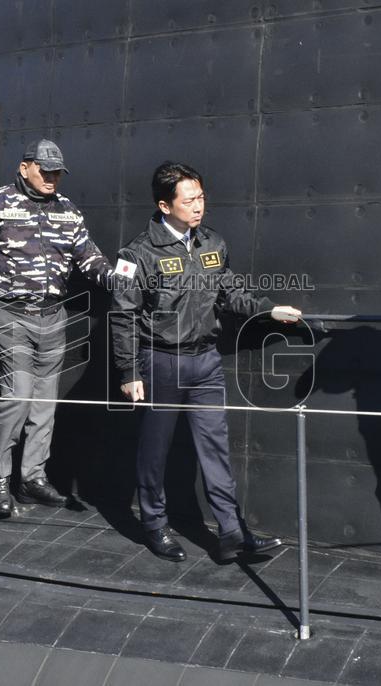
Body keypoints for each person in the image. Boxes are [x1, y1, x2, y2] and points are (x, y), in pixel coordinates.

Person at [110, 161, 301, 563]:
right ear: (165, 205)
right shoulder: (136, 254)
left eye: (201, 197)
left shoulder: (212, 244)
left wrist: (269, 310)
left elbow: (231, 292)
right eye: (189, 199)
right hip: (162, 362)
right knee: (155, 450)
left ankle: (231, 533)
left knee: (215, 449)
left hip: (206, 361)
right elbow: (123, 315)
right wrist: (129, 372)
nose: (199, 206)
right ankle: (155, 524)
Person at [0, 139, 114, 517]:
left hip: (52, 315)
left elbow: (88, 256)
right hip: (11, 314)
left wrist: (117, 278)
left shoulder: (67, 211)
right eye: (45, 170)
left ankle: (32, 478)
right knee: (18, 397)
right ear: (25, 166)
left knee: (45, 403)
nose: (51, 178)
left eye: (57, 172)